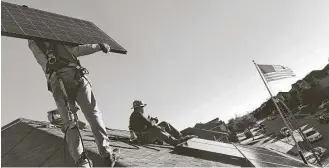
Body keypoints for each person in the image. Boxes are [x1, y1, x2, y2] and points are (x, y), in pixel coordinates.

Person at [28, 39, 117, 167]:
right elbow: (77, 50)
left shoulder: (33, 41)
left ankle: (82, 162)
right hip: (76, 75)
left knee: (70, 123)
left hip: (57, 81)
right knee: (93, 114)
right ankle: (106, 154)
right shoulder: (57, 33)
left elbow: (41, 60)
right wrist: (99, 46)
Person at [128, 100, 194, 146]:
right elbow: (151, 125)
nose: (143, 109)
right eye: (142, 107)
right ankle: (176, 141)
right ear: (140, 107)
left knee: (164, 123)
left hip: (144, 135)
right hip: (143, 138)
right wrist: (155, 120)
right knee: (157, 129)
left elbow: (145, 125)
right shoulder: (137, 114)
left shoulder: (135, 115)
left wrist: (151, 120)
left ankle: (180, 136)